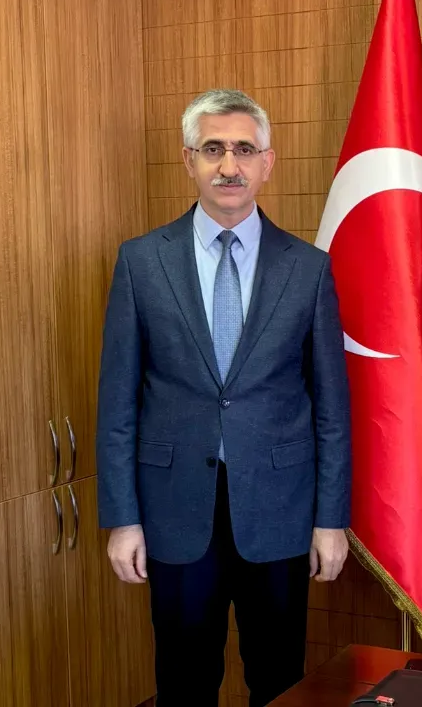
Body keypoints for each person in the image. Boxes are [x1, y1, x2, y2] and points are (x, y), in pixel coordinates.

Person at [96, 88, 352, 707]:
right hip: (176, 509)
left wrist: (331, 519)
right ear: (189, 160)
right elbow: (118, 403)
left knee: (280, 679)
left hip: (280, 511)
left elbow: (331, 409)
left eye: (244, 149)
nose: (229, 165)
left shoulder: (309, 268)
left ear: (268, 162)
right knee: (184, 683)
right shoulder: (141, 262)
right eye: (213, 149)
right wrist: (123, 519)